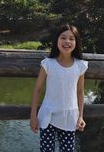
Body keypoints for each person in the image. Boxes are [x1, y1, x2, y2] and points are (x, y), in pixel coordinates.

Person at [30, 24, 88, 152]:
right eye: (63, 38)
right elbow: (38, 89)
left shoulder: (80, 66)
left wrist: (80, 116)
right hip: (47, 116)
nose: (67, 41)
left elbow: (80, 91)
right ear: (57, 40)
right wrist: (33, 116)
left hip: (69, 117)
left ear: (76, 42)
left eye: (71, 38)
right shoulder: (48, 64)